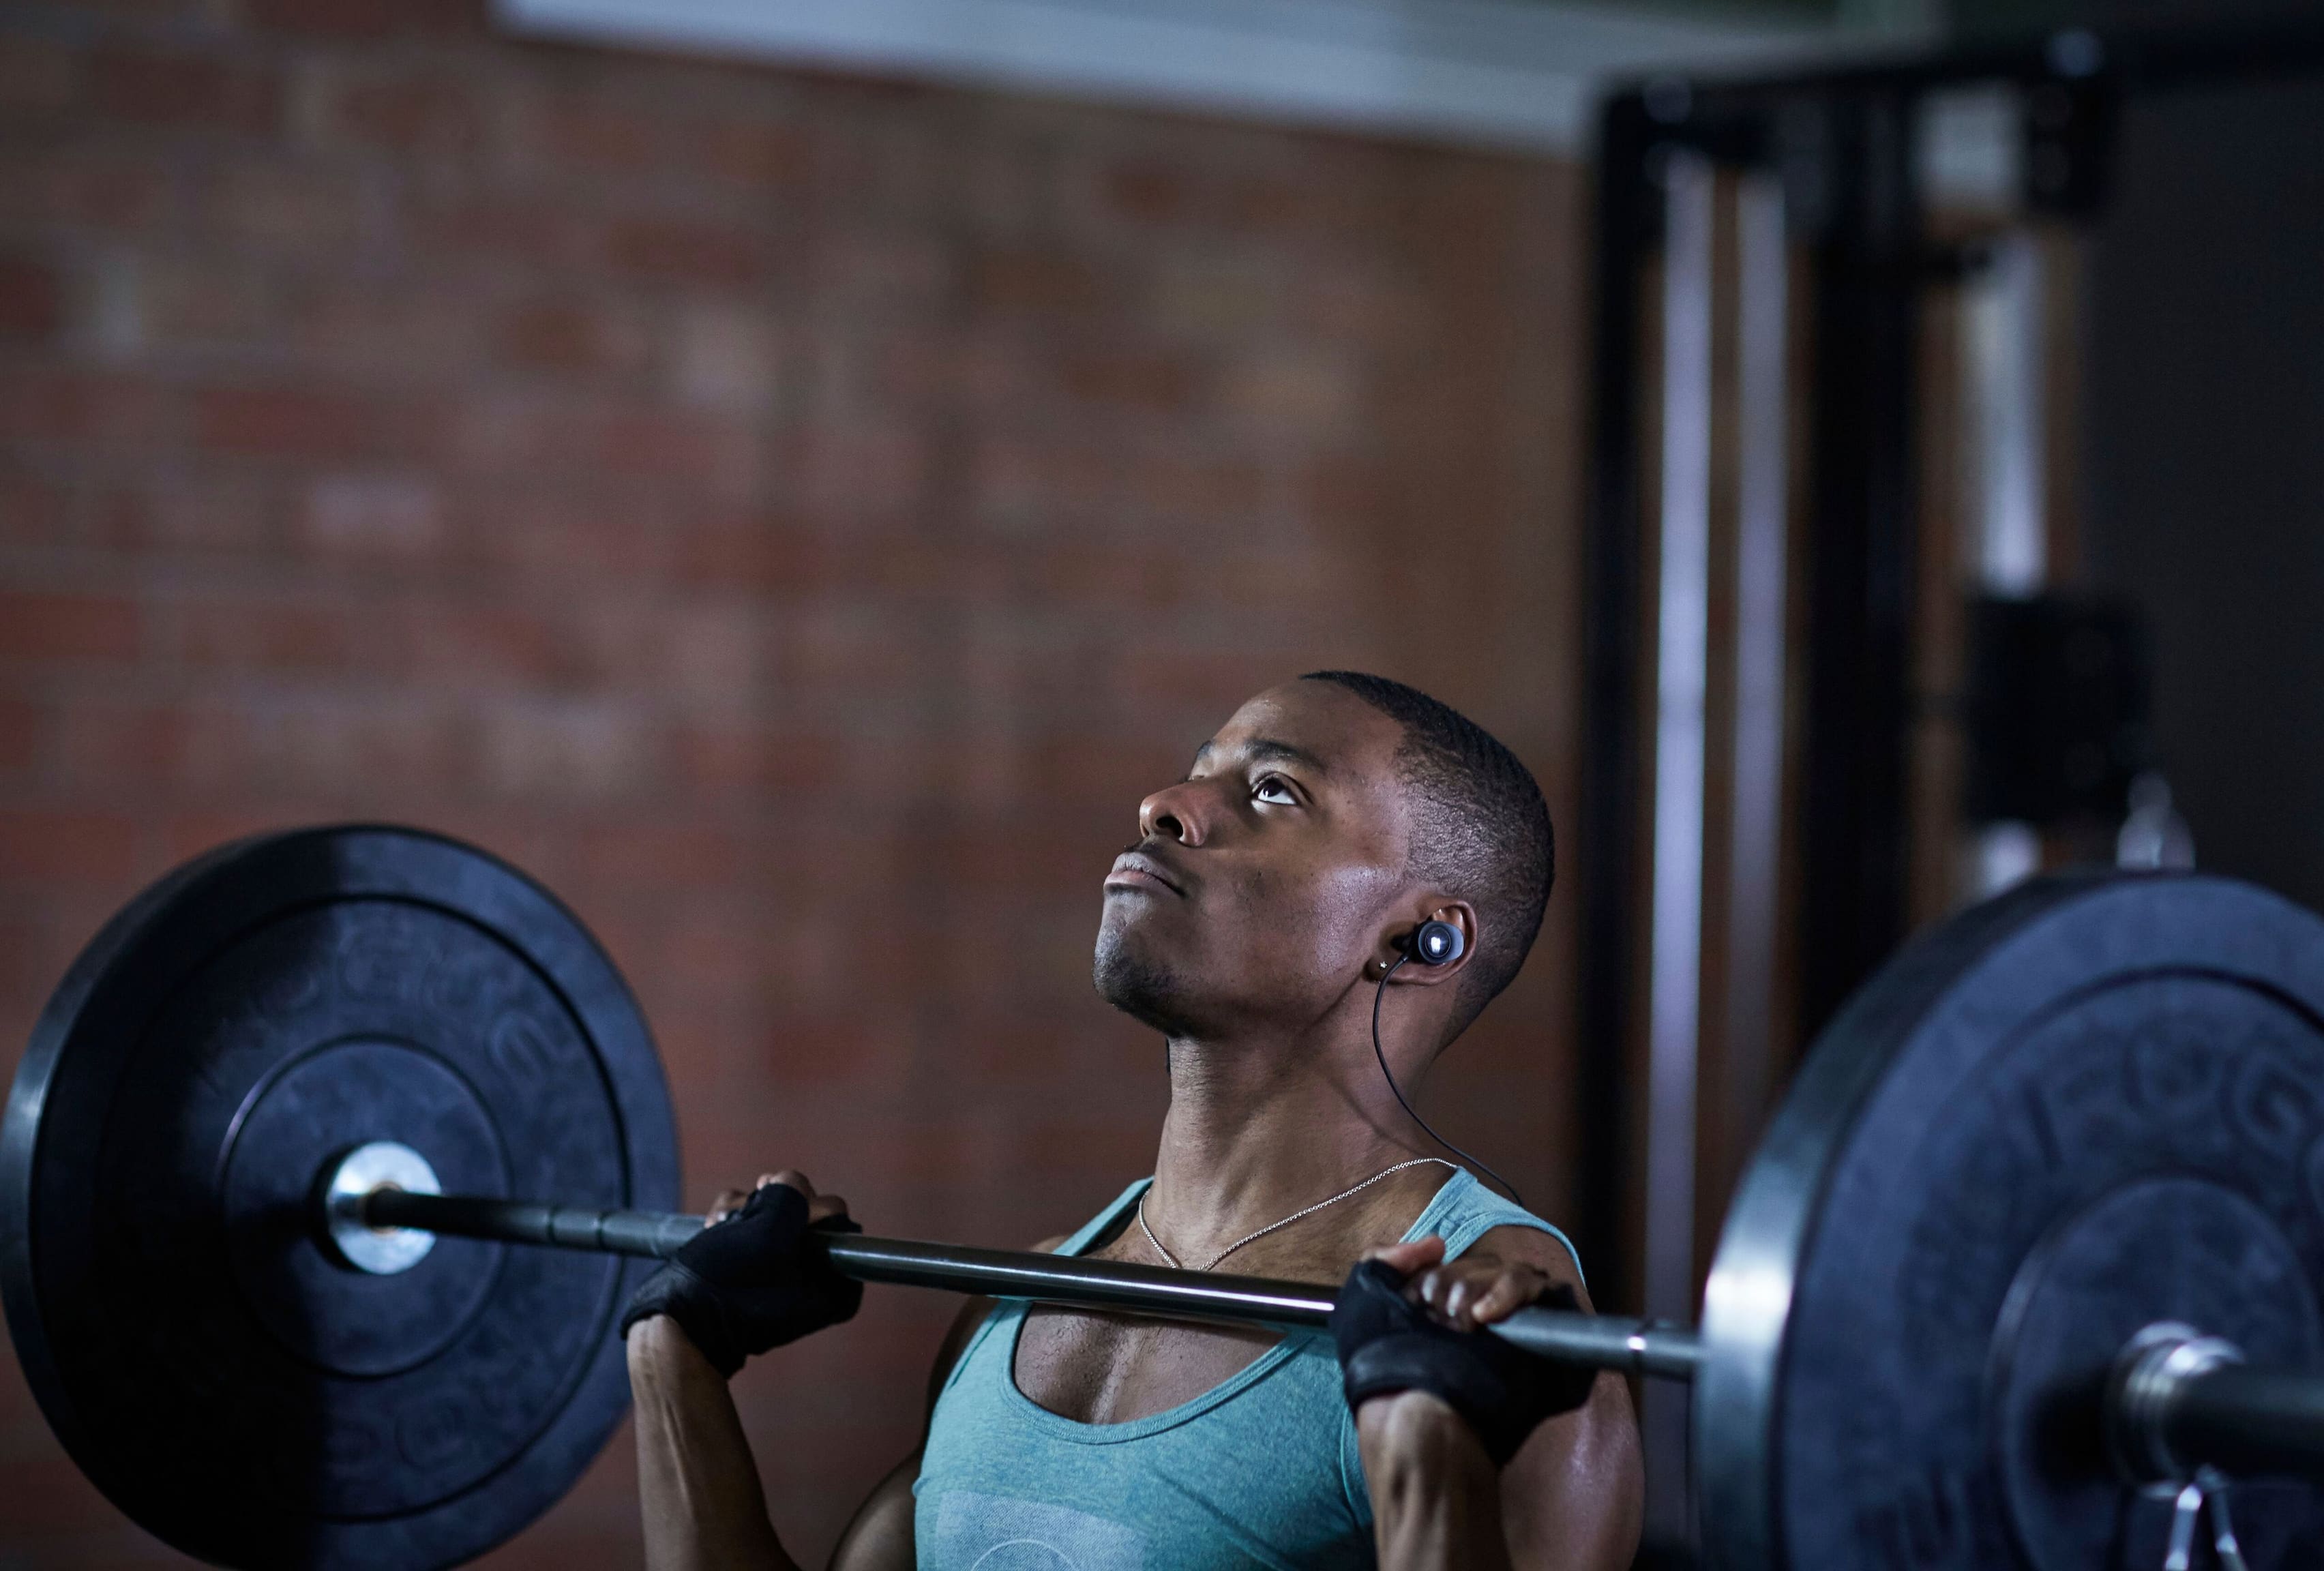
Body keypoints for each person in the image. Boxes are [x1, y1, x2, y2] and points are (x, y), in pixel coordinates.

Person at [624, 672, 1645, 1570]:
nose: (1166, 805)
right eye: (1197, 772)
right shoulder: (1019, 1301)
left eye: (1274, 790)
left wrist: (1428, 1449)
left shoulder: (1499, 1324)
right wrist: (677, 1351)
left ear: (1422, 939)